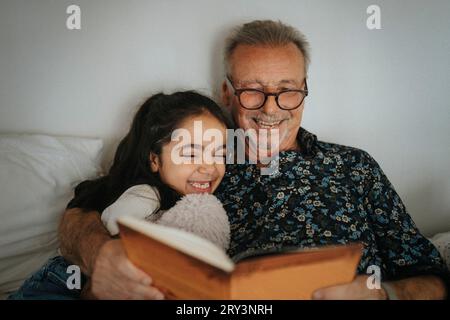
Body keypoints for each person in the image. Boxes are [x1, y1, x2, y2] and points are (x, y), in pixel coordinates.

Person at [60, 20, 449, 300]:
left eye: (288, 91)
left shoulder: (355, 166)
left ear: (304, 91)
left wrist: (385, 295)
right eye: (253, 92)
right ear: (227, 95)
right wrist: (100, 254)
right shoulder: (198, 164)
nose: (272, 109)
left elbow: (433, 278)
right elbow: (81, 213)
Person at [8, 91, 232, 299]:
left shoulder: (194, 205)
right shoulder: (145, 196)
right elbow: (117, 249)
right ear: (155, 160)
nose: (208, 167)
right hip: (65, 282)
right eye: (191, 153)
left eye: (219, 154)